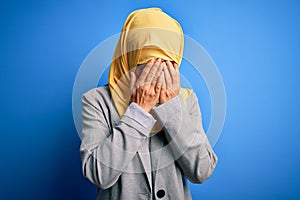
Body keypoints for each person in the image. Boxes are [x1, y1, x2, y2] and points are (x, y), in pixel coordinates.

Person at [80, 7, 218, 200]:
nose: (156, 74)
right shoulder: (97, 101)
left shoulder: (187, 101)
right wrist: (138, 111)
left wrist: (172, 107)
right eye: (148, 64)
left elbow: (202, 170)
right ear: (128, 59)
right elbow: (99, 174)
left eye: (167, 64)